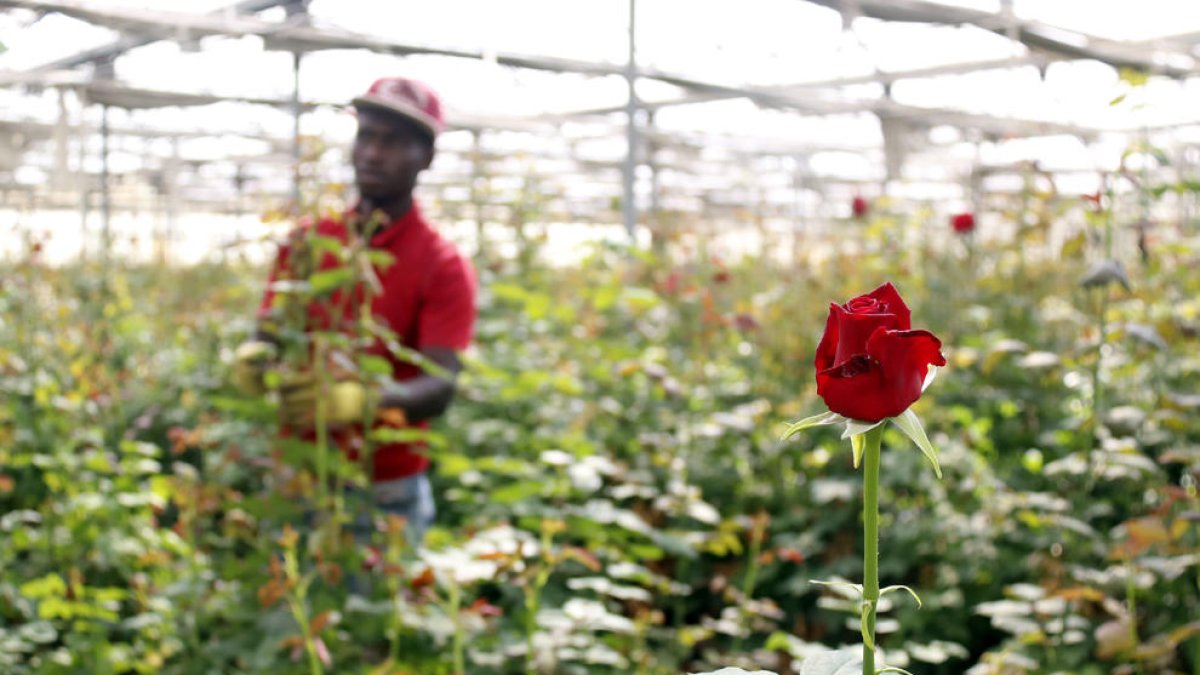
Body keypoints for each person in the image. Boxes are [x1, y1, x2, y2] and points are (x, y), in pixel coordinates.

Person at [231, 77, 477, 544]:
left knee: (375, 610)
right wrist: (254, 357)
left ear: (425, 157)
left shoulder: (442, 264)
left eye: (393, 141)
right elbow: (270, 331)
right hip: (299, 469)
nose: (372, 153)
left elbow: (441, 384)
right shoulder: (308, 241)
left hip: (383, 488)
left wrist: (362, 401)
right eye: (366, 135)